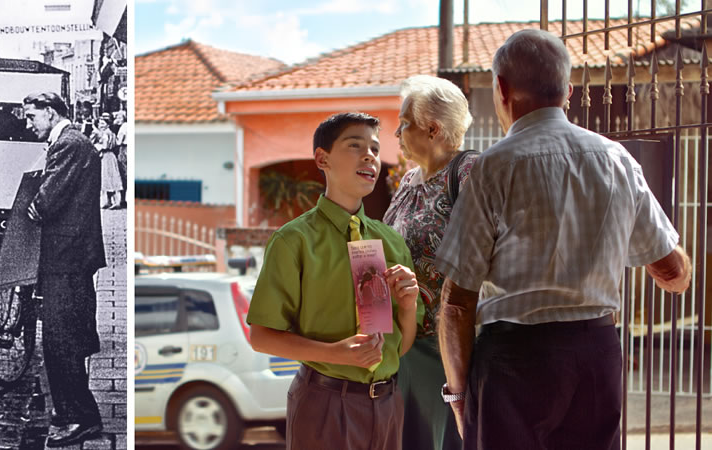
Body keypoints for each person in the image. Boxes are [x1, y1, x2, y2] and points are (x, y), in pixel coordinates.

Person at [435, 29, 693, 450]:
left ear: (502, 89)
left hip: (516, 360)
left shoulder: (493, 167)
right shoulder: (615, 160)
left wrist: (460, 398)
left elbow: (456, 302)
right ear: (568, 91)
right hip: (595, 354)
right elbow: (673, 271)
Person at [247, 112, 421, 450]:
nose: (369, 155)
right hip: (324, 404)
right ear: (322, 158)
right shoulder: (293, 241)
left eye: (374, 148)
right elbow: (261, 336)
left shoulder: (391, 242)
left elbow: (400, 347)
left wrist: (410, 306)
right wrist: (335, 354)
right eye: (355, 146)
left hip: (387, 405)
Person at [381, 74, 474, 450]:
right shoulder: (407, 181)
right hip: (403, 342)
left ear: (433, 129)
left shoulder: (471, 174)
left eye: (404, 124)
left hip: (444, 351)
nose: (397, 134)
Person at [22, 91, 106, 448]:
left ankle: (80, 418)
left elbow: (46, 201)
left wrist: (36, 204)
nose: (28, 124)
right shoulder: (71, 142)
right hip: (67, 257)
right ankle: (70, 410)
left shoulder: (69, 144)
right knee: (63, 338)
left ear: (52, 112)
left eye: (32, 117)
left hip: (67, 258)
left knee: (62, 341)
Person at [91, 114, 122, 209]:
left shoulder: (105, 134)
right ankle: (113, 201)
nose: (100, 125)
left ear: (107, 124)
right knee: (112, 178)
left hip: (106, 156)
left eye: (103, 123)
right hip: (111, 155)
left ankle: (112, 201)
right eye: (100, 123)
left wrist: (97, 146)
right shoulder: (112, 133)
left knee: (108, 178)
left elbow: (104, 146)